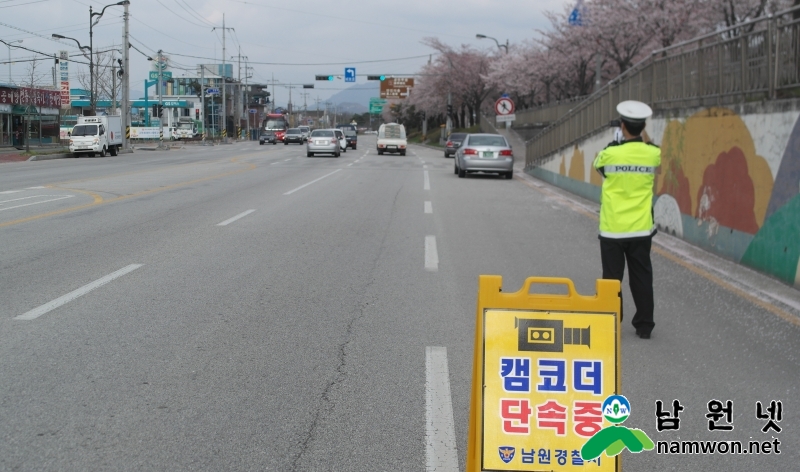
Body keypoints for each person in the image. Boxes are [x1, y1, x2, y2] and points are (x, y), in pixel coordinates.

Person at [593, 100, 661, 339]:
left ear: (622, 126)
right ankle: (644, 326)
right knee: (641, 275)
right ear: (643, 127)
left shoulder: (609, 153)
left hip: (612, 228)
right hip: (641, 228)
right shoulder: (654, 154)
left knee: (612, 279)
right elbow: (653, 155)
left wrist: (615, 143)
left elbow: (598, 166)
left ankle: (611, 323)